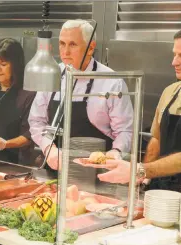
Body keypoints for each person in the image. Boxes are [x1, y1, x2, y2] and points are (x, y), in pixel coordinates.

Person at [98, 23, 181, 192]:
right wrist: (143, 179)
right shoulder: (171, 91)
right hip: (161, 189)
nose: (174, 62)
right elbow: (156, 140)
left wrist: (141, 170)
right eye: (175, 55)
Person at [28, 19, 134, 170]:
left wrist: (115, 152)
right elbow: (36, 122)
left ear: (90, 48)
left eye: (72, 44)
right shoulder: (52, 75)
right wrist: (48, 148)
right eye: (62, 44)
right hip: (56, 169)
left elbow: (125, 130)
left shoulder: (112, 82)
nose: (65, 52)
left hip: (97, 173)